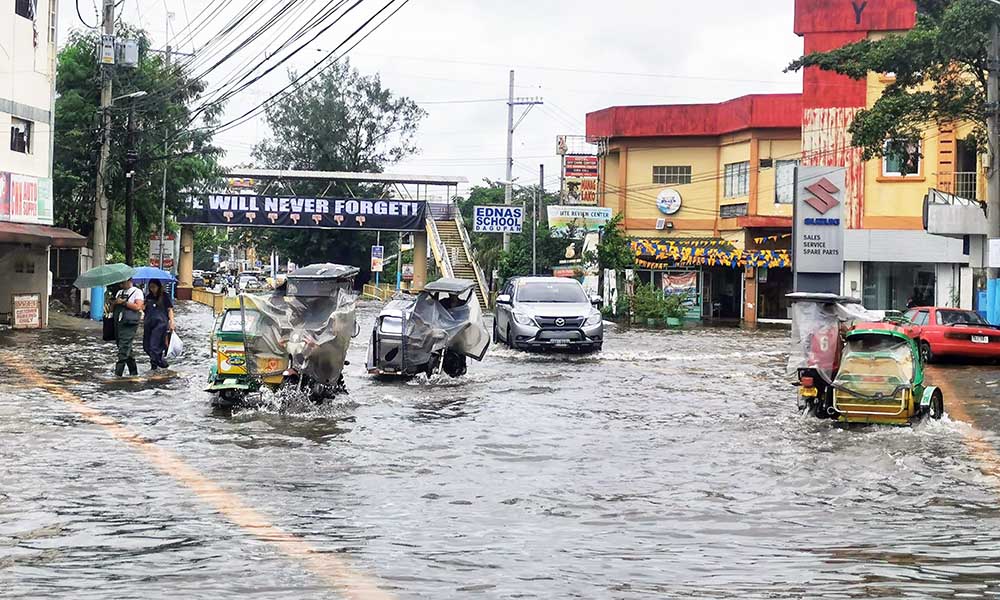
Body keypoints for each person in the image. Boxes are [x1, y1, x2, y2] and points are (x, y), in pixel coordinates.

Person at [114, 278, 144, 377]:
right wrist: (114, 302)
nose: (121, 284)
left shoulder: (137, 292)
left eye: (123, 282)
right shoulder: (119, 292)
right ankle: (133, 372)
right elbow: (112, 308)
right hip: (119, 322)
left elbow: (138, 306)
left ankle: (118, 374)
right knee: (125, 346)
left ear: (129, 281)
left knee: (124, 347)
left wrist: (123, 302)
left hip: (130, 323)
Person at [142, 279, 175, 369]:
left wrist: (172, 322)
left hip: (160, 324)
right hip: (148, 323)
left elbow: (170, 309)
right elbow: (144, 310)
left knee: (155, 346)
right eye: (150, 287)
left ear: (158, 287)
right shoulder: (148, 297)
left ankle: (161, 364)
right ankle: (156, 364)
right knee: (146, 347)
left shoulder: (164, 296)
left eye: (154, 287)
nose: (152, 289)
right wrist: (143, 307)